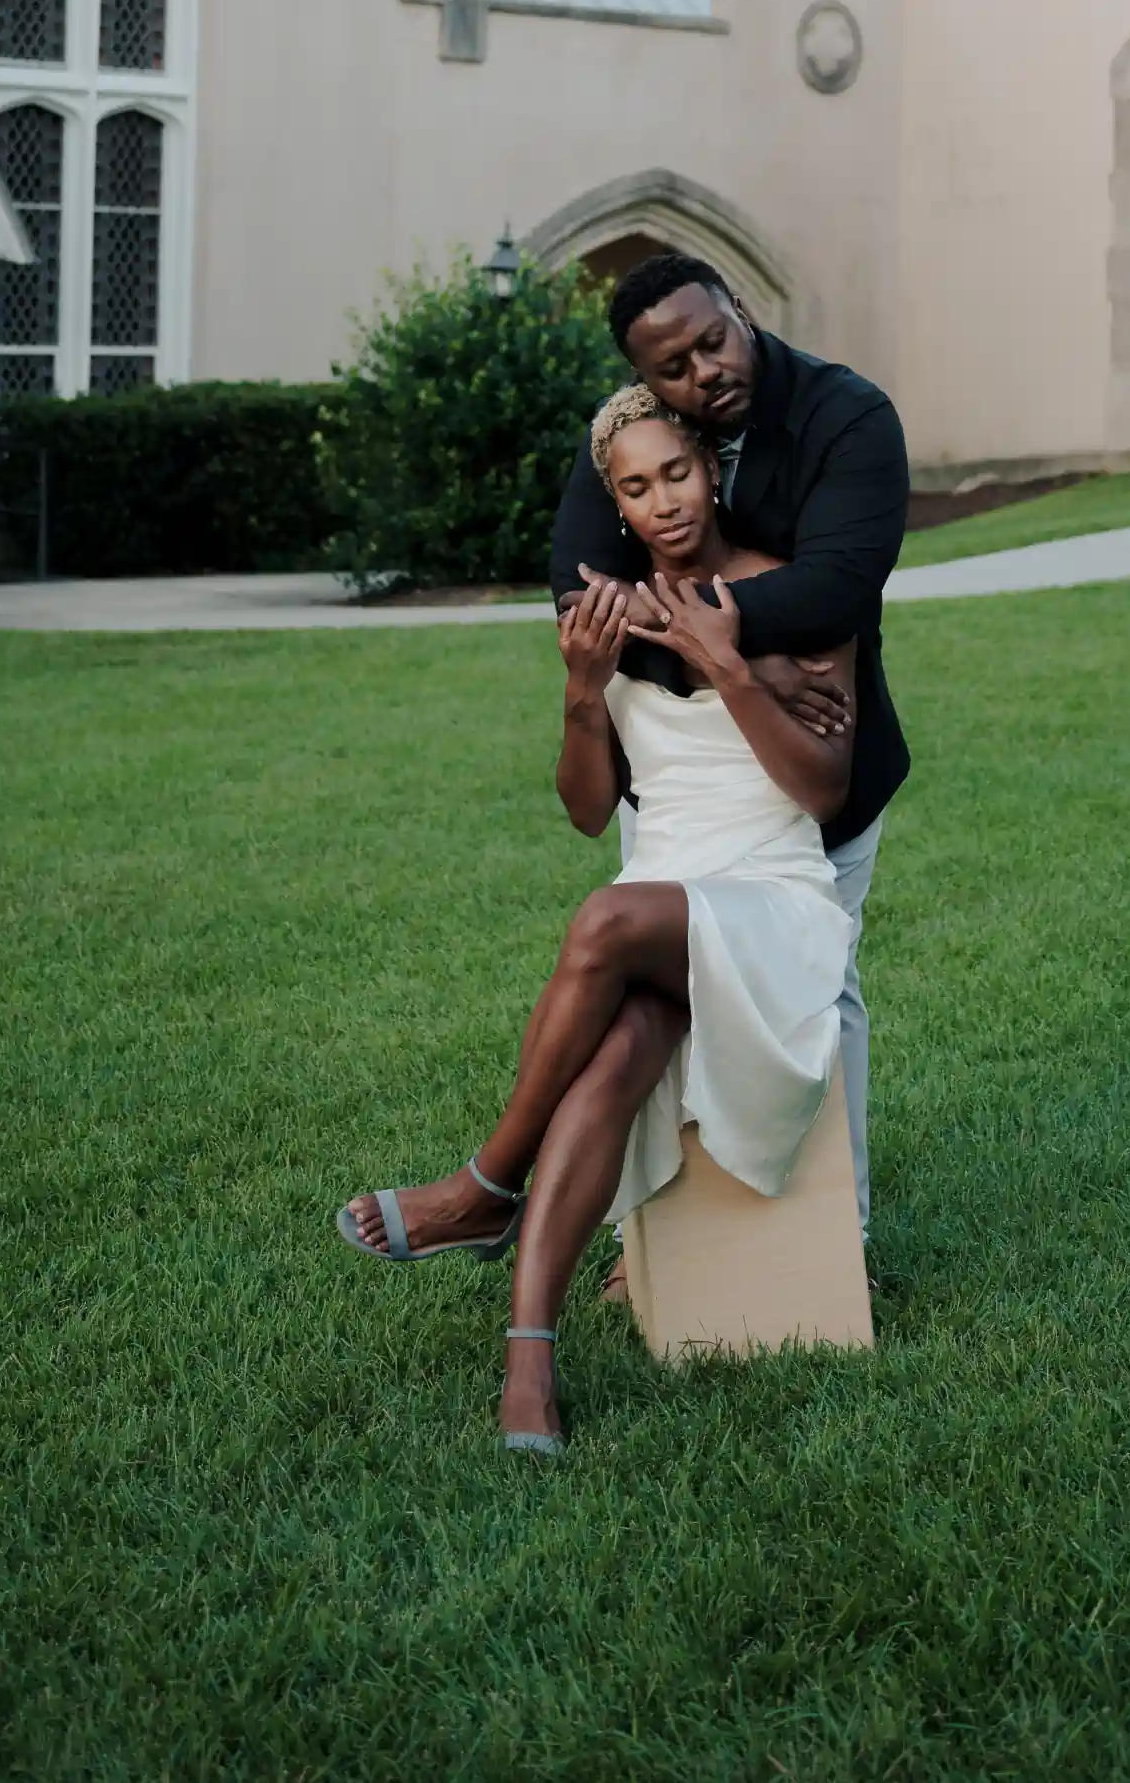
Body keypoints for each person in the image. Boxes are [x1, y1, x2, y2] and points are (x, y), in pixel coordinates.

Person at [338, 388, 856, 1457]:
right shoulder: (607, 615)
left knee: (605, 917)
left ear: (711, 469)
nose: (662, 501)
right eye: (634, 486)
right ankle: (529, 1361)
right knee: (613, 1058)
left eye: (676, 473)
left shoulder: (795, 591)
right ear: (612, 505)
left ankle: (485, 1184)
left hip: (768, 896)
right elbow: (587, 811)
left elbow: (822, 792)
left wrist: (726, 664)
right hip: (664, 891)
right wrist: (582, 691)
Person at [548, 253, 910, 1231]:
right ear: (644, 376)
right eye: (672, 367)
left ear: (740, 311)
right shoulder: (634, 438)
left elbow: (833, 589)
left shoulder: (847, 420)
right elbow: (582, 597)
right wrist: (744, 655)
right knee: (655, 1014)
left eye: (713, 341)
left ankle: (842, 1231)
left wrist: (698, 633)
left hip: (814, 758)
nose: (701, 373)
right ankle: (656, 1245)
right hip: (679, 787)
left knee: (814, 997)